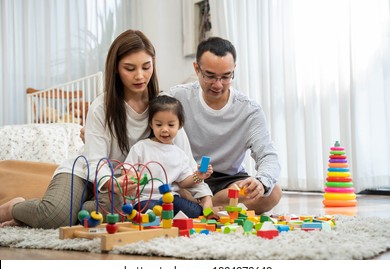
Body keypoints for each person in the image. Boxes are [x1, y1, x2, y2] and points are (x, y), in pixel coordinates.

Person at [0, 29, 208, 228]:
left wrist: (206, 197)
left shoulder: (164, 107)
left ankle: (75, 209)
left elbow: (186, 162)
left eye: (146, 67)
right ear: (116, 68)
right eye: (130, 68)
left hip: (124, 190)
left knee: (122, 217)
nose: (139, 76)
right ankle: (13, 207)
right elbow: (96, 161)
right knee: (56, 217)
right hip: (85, 172)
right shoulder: (102, 106)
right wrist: (111, 184)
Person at [168, 37, 282, 214]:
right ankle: (205, 203)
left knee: (273, 192)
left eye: (226, 76)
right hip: (189, 176)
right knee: (171, 188)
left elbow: (268, 154)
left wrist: (261, 181)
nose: (218, 85)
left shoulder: (249, 110)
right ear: (196, 69)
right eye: (210, 76)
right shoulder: (177, 98)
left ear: (233, 69)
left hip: (229, 180)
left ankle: (207, 203)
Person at [124, 95, 213, 218]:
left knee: (195, 212)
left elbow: (183, 182)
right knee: (151, 213)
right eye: (159, 125)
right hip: (146, 199)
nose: (165, 130)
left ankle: (166, 216)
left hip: (170, 198)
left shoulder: (180, 154)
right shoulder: (141, 147)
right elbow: (128, 170)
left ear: (180, 125)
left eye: (171, 125)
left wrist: (199, 175)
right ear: (151, 124)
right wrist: (133, 176)